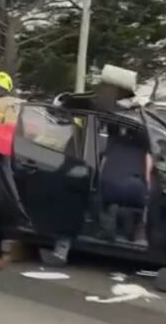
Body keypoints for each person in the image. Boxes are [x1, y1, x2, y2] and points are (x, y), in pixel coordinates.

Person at [43, 65, 139, 266]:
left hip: (94, 165)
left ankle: (70, 244)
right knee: (79, 200)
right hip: (82, 161)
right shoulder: (95, 105)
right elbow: (63, 104)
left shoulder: (121, 113)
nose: (104, 90)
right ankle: (68, 244)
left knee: (87, 200)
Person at [99, 123, 153, 243]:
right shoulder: (143, 148)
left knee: (103, 199)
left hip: (112, 186)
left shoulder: (113, 142)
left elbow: (102, 166)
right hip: (135, 188)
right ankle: (134, 230)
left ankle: (107, 228)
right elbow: (148, 172)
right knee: (137, 204)